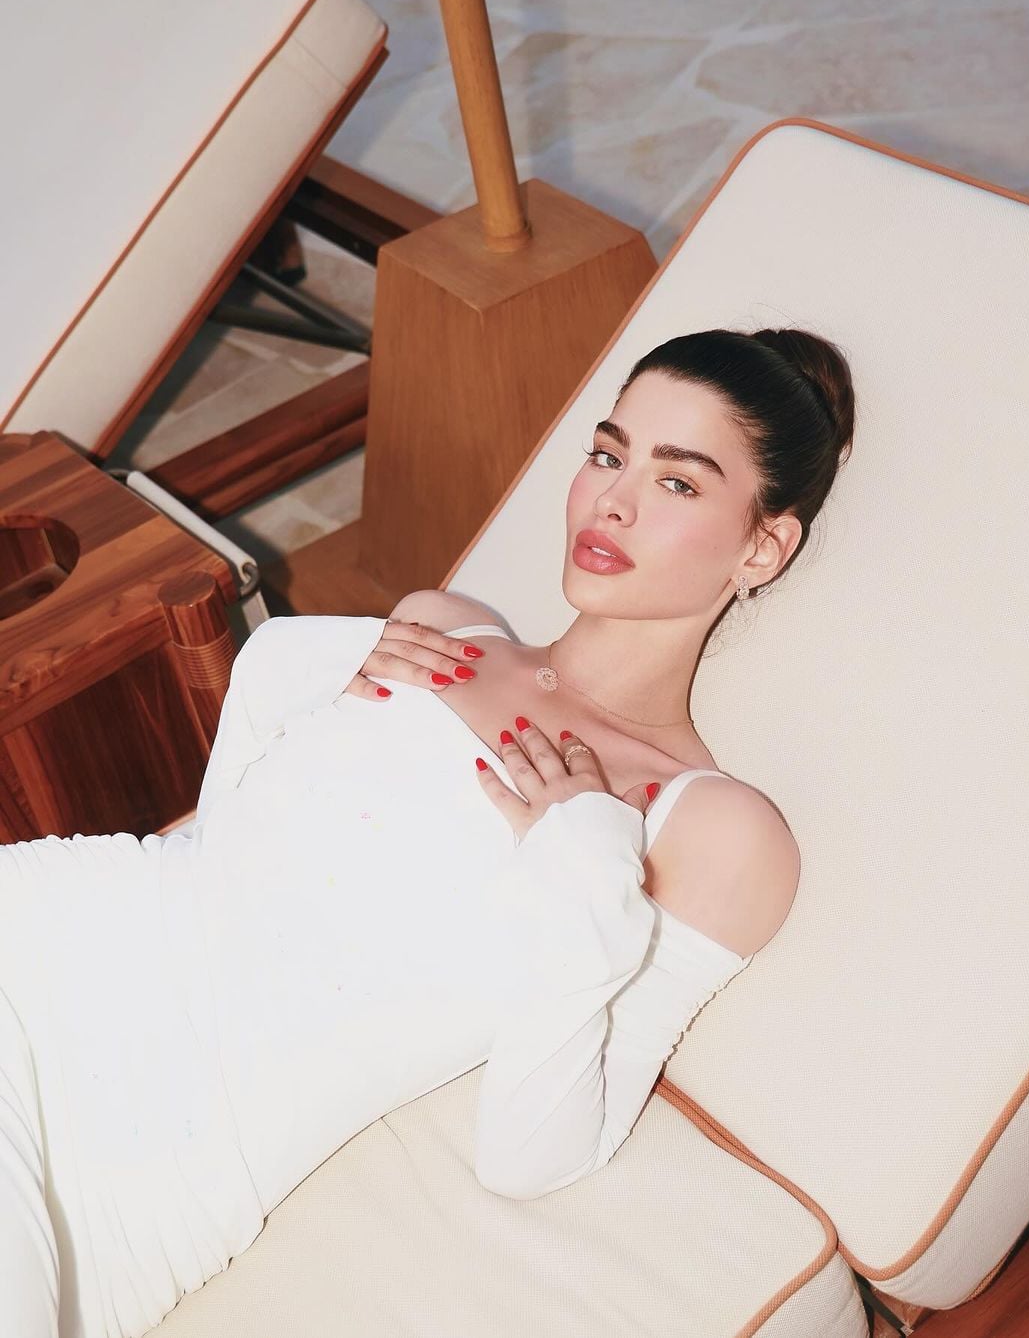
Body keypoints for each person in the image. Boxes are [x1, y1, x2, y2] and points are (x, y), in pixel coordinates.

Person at [0, 327, 854, 1338]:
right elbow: (220, 848)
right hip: (49, 951)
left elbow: (533, 1154)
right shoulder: (442, 627)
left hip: (153, 1168)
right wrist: (293, 672)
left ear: (762, 547)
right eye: (608, 454)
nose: (611, 502)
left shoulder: (708, 827)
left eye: (677, 482)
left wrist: (585, 873)